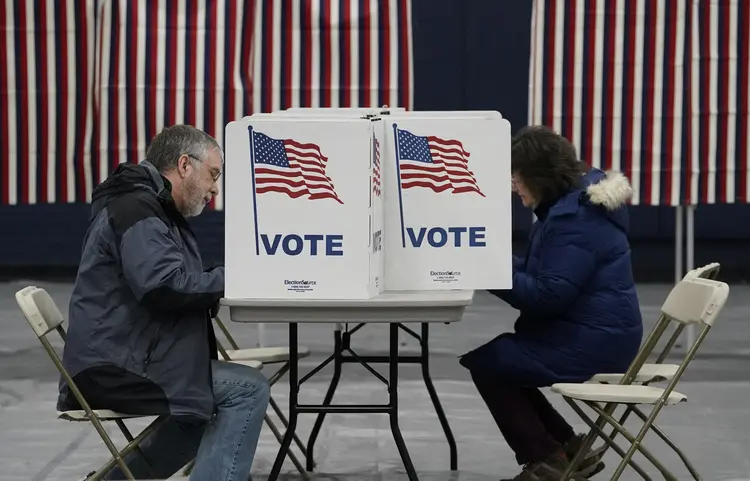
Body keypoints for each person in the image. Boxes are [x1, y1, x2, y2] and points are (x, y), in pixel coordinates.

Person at [58, 125, 269, 480]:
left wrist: (219, 278)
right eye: (212, 175)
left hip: (124, 355)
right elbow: (163, 287)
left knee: (195, 413)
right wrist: (237, 277)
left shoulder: (148, 206)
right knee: (248, 389)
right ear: (185, 165)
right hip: (114, 367)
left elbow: (171, 280)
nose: (215, 188)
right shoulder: (137, 209)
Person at [459, 126, 643, 481]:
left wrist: (484, 269)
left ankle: (547, 460)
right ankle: (568, 448)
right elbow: (541, 273)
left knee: (493, 364)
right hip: (598, 334)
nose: (514, 186)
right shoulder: (569, 208)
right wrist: (487, 254)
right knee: (503, 359)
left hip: (594, 343)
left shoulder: (576, 220)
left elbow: (546, 296)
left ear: (539, 177)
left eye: (516, 177)